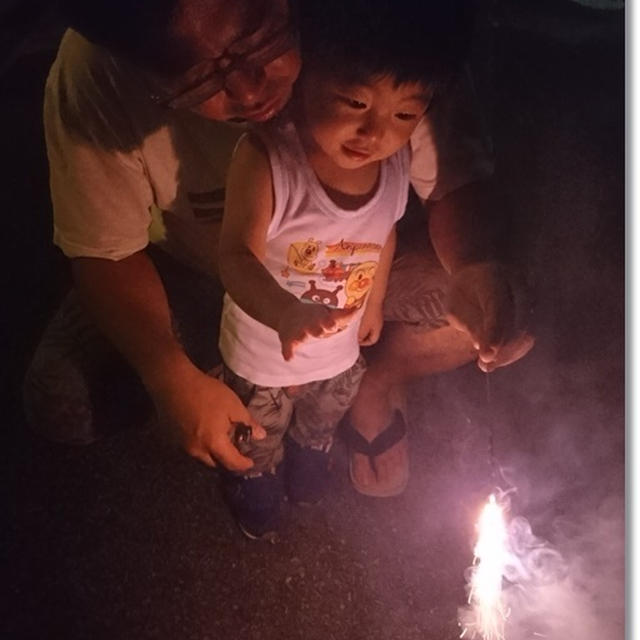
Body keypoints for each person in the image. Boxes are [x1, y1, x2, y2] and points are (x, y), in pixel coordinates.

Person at [24, 0, 533, 493]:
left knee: (486, 302)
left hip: (350, 264)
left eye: (258, 36)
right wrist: (170, 377)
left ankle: (374, 383)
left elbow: (456, 183)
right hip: (192, 269)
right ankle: (229, 375)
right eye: (198, 76)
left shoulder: (379, 27)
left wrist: (474, 264)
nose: (249, 91)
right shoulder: (99, 71)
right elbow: (104, 252)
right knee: (61, 398)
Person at [216, 0, 460, 539]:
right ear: (304, 74)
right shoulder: (267, 159)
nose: (375, 132)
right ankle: (255, 475)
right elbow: (233, 255)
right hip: (264, 351)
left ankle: (311, 453)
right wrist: (283, 311)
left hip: (340, 349)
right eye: (355, 101)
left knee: (323, 416)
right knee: (257, 428)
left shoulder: (394, 164)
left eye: (404, 115)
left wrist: (372, 303)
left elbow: (385, 231)